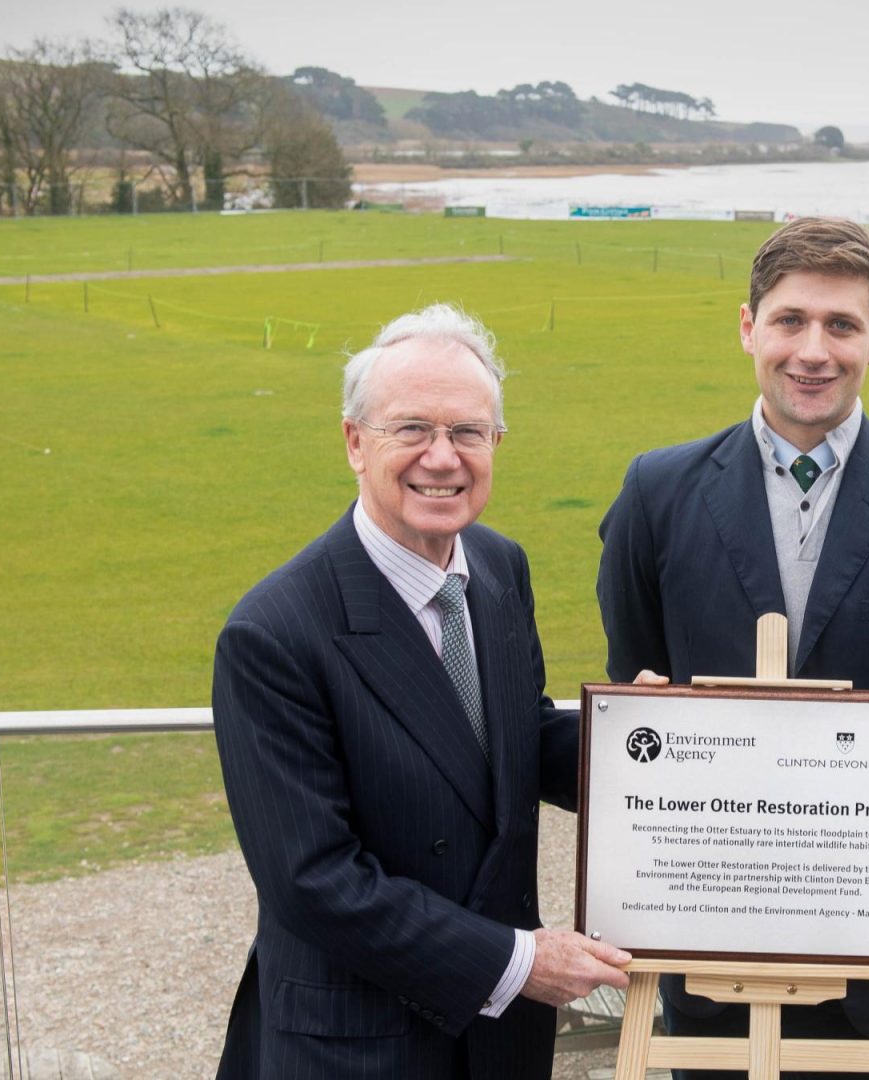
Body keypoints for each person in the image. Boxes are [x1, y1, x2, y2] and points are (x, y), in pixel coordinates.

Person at [596, 217, 869, 1078]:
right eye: (791, 320)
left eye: (842, 325)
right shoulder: (658, 490)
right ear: (748, 326)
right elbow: (635, 669)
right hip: (706, 909)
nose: (813, 350)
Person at [211, 305, 630, 1079]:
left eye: (468, 432)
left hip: (499, 1045)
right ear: (353, 442)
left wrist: (664, 741)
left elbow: (512, 738)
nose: (443, 458)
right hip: (358, 1046)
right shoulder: (273, 633)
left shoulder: (500, 568)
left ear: (496, 445)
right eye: (412, 429)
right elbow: (315, 881)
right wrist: (517, 963)